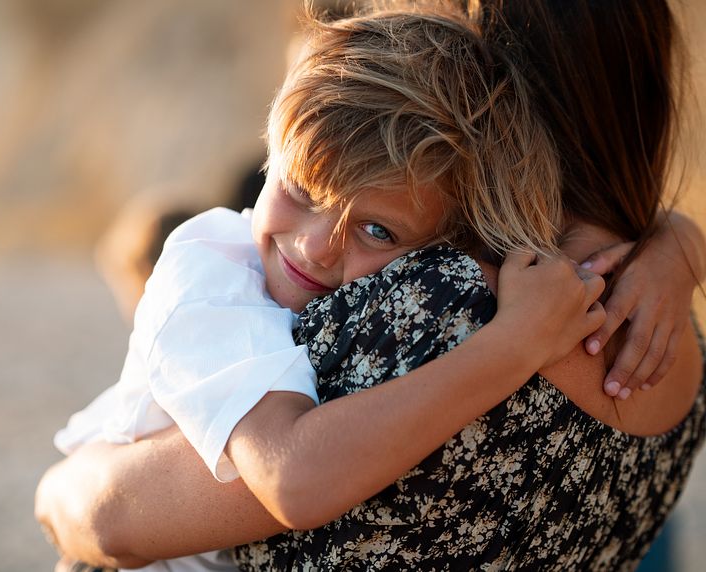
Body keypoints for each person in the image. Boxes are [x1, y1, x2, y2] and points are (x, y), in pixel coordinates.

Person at [36, 1, 706, 570]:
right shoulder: (674, 337)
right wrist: (676, 241)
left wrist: (57, 491)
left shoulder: (433, 304)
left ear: (498, 115)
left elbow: (107, 517)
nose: (318, 245)